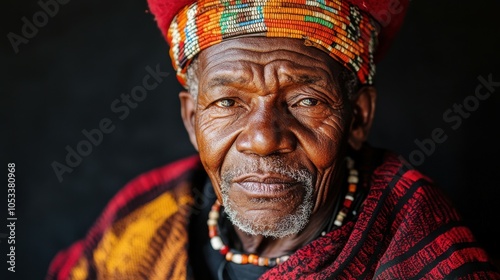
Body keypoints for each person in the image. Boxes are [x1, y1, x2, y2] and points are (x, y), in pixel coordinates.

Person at [46, 0, 500, 279]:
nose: (264, 139)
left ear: (358, 118)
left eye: (305, 101)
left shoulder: (423, 259)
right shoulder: (144, 223)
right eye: (227, 102)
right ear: (191, 119)